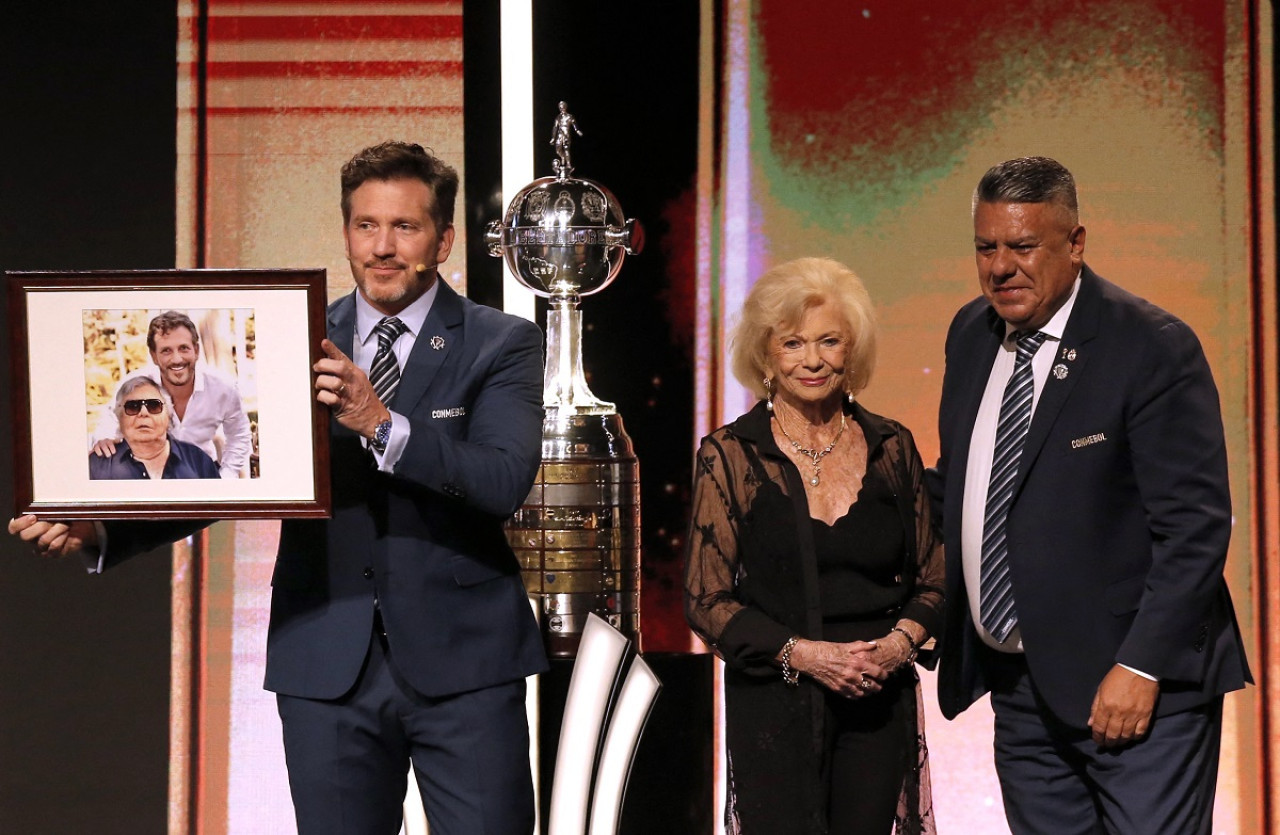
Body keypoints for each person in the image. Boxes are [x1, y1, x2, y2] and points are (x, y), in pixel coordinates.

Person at [12, 141, 549, 834]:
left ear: (443, 239)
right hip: (324, 662)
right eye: (365, 225)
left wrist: (381, 423)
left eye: (405, 227)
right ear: (346, 232)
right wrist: (98, 522)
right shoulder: (290, 336)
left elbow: (502, 480)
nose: (382, 247)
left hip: (466, 666)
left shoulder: (500, 342)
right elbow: (223, 476)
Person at [928, 156, 1251, 834]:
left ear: (1075, 244)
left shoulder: (1151, 346)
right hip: (1021, 690)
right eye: (986, 247)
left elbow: (1194, 529)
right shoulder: (971, 334)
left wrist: (1140, 663)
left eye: (1023, 246)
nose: (1000, 267)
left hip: (1137, 692)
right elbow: (962, 485)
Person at [684, 257, 943, 834]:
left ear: (852, 351)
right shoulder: (729, 456)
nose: (812, 360)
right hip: (776, 705)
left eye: (829, 341)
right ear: (766, 354)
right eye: (793, 343)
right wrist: (805, 654)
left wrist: (899, 646)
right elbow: (707, 600)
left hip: (877, 703)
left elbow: (935, 578)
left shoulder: (891, 446)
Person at [91, 310, 253, 479]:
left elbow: (239, 436)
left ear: (196, 350)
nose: (177, 359)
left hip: (201, 473)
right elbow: (108, 424)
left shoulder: (223, 388)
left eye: (184, 348)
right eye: (166, 351)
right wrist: (104, 439)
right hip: (145, 474)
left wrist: (225, 476)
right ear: (154, 356)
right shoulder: (134, 385)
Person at [88, 376, 220, 480]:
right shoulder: (97, 466)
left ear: (168, 415)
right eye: (133, 407)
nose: (143, 413)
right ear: (119, 417)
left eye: (154, 406)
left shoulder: (199, 461)